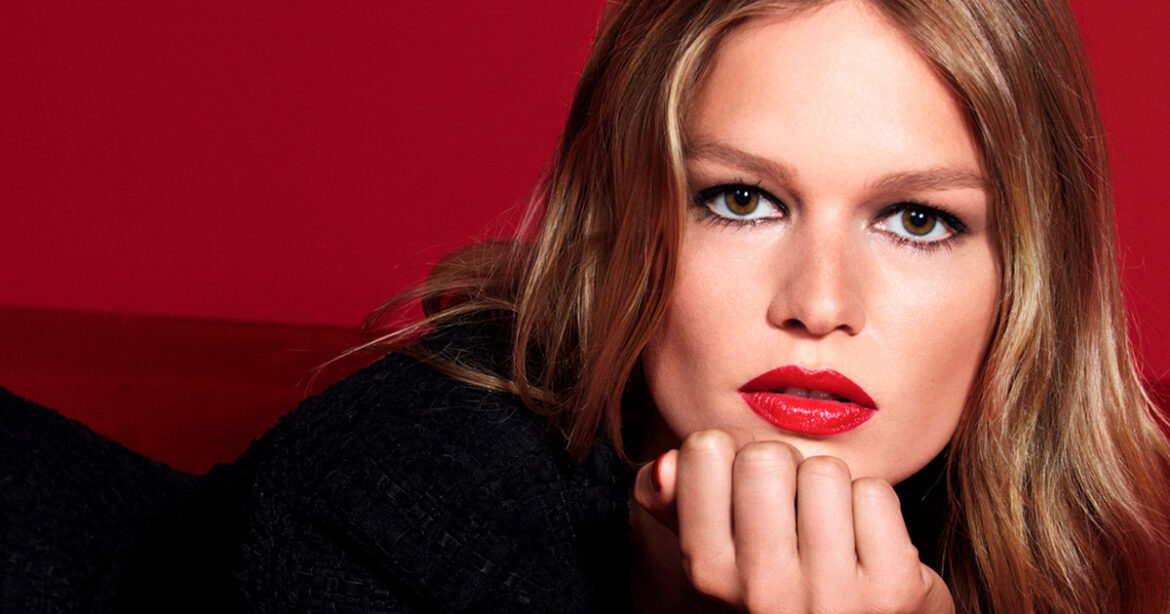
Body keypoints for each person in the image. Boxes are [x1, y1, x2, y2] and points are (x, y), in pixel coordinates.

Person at [3, 0, 1169, 612]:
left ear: (1027, 278)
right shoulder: (401, 495)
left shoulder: (1065, 529)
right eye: (741, 199)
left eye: (917, 218)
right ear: (626, 228)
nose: (820, 303)